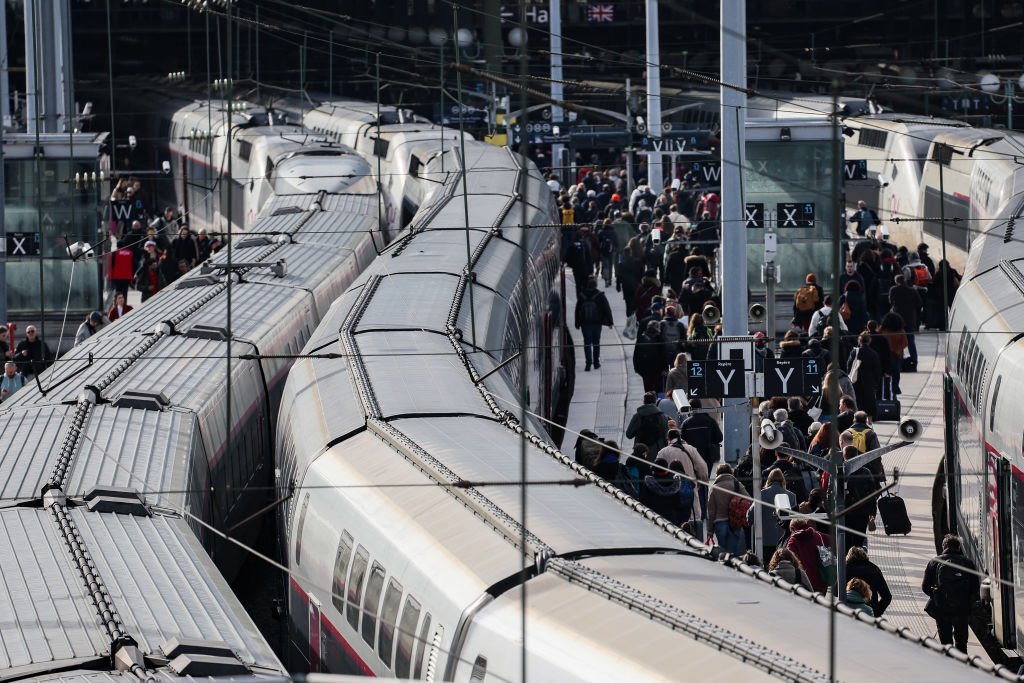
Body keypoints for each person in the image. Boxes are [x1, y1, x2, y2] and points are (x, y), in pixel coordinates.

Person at [923, 535, 979, 653]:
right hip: (962, 610)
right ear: (958, 547)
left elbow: (925, 587)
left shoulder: (934, 562)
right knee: (961, 644)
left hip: (942, 610)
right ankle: (963, 668)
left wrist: (937, 596)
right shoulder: (967, 563)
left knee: (946, 645)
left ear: (943, 547)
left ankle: (950, 668)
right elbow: (975, 588)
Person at [750, 469, 796, 561]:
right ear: (783, 480)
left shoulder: (761, 494)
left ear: (769, 480)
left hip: (764, 540)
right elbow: (793, 520)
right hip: (784, 540)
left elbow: (750, 515)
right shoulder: (791, 496)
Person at [707, 463, 748, 555]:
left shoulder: (714, 488)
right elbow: (748, 500)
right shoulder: (737, 484)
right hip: (734, 524)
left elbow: (711, 511)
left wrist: (710, 530)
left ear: (717, 473)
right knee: (733, 554)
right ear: (730, 472)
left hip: (719, 524)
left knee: (722, 554)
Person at [575, 277, 614, 371]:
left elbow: (577, 310)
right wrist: (610, 322)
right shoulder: (600, 295)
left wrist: (577, 323)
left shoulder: (582, 295)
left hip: (585, 323)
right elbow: (607, 309)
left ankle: (588, 363)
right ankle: (596, 363)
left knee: (587, 343)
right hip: (597, 323)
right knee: (596, 343)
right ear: (595, 285)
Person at [786, 517, 831, 592]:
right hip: (822, 580)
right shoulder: (819, 535)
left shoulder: (793, 540)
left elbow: (789, 560)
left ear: (793, 528)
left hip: (804, 582)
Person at [846, 546, 892, 617]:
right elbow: (887, 597)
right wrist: (876, 613)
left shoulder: (845, 569)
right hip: (870, 609)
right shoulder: (874, 569)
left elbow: (835, 592)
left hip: (847, 610)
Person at [848, 333, 882, 420]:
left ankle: (857, 421)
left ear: (859, 341)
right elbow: (877, 370)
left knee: (857, 402)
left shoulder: (854, 352)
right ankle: (869, 422)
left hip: (856, 381)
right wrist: (877, 383)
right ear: (869, 341)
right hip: (869, 382)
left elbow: (849, 366)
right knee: (869, 403)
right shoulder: (873, 353)